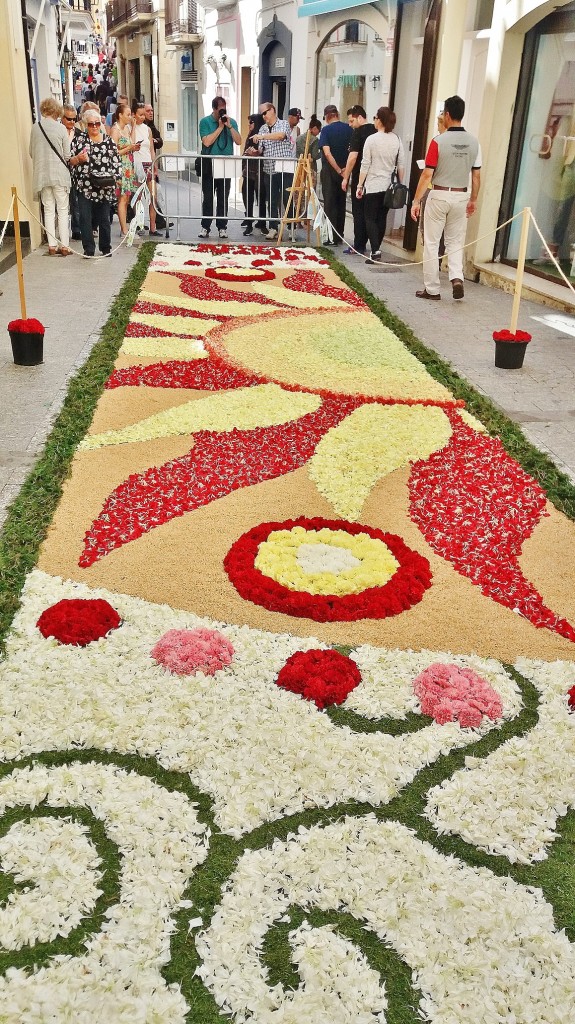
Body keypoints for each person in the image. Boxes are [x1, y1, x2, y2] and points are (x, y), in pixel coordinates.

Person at [411, 94, 480, 300]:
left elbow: (427, 174)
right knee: (455, 241)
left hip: (439, 194)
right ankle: (457, 277)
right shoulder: (474, 143)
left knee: (432, 243)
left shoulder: (438, 142)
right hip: (461, 195)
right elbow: (476, 176)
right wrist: (473, 199)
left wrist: (416, 201)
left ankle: (432, 289)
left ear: (447, 115)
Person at [356, 106, 404, 265]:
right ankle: (377, 249)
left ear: (381, 120)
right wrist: (400, 184)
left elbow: (365, 164)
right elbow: (401, 164)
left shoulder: (371, 139)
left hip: (373, 185)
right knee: (381, 218)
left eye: (375, 118)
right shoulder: (397, 140)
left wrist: (359, 185)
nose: (374, 121)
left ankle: (375, 250)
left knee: (369, 218)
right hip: (388, 186)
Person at [69, 110, 120, 257]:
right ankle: (89, 248)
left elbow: (116, 162)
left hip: (104, 186)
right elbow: (70, 161)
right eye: (91, 124)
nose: (94, 126)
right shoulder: (79, 141)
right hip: (85, 185)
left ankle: (105, 247)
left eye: (97, 123)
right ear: (86, 125)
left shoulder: (108, 141)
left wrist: (117, 178)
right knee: (85, 217)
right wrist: (78, 159)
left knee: (104, 218)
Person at [29, 97, 72, 256]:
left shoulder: (35, 128)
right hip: (59, 175)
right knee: (62, 210)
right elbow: (67, 155)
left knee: (48, 210)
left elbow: (31, 152)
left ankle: (52, 246)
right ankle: (65, 246)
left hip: (42, 175)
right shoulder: (61, 129)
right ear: (57, 111)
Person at [198, 96, 241, 239]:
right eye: (220, 110)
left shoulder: (231, 122)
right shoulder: (205, 122)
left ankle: (222, 227)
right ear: (214, 109)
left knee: (223, 197)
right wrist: (220, 128)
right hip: (209, 164)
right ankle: (205, 226)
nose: (222, 112)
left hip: (225, 164)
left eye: (224, 109)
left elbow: (239, 141)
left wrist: (229, 126)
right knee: (208, 197)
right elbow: (207, 142)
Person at [252, 103, 295, 240]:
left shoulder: (284, 124)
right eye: (262, 114)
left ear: (273, 110)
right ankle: (273, 227)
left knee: (287, 198)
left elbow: (281, 136)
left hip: (285, 168)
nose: (264, 116)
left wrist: (262, 137)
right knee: (271, 199)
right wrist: (254, 152)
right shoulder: (262, 128)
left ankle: (291, 227)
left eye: (265, 113)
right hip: (269, 168)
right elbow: (261, 150)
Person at [341, 104, 376, 255]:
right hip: (374, 178)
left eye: (351, 121)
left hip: (359, 177)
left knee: (358, 212)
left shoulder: (358, 133)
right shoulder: (376, 131)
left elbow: (352, 157)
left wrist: (346, 177)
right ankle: (374, 246)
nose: (350, 125)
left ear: (360, 118)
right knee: (371, 213)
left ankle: (359, 244)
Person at [319, 105, 352, 245]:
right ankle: (340, 235)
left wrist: (338, 169)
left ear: (327, 117)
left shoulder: (326, 130)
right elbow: (352, 151)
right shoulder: (349, 129)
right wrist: (345, 170)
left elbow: (327, 153)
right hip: (345, 171)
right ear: (337, 114)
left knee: (329, 203)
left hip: (330, 171)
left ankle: (330, 236)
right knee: (341, 203)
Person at [132, 101, 160, 235]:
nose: (143, 117)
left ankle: (153, 227)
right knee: (138, 196)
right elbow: (131, 143)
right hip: (137, 163)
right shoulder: (130, 128)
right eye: (140, 115)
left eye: (144, 115)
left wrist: (154, 164)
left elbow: (151, 149)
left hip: (148, 163)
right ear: (134, 115)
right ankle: (139, 224)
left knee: (153, 196)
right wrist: (132, 126)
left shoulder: (147, 129)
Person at [111, 102, 137, 235]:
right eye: (128, 114)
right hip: (120, 166)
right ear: (120, 115)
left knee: (126, 198)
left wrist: (133, 128)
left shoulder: (126, 128)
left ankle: (125, 226)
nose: (130, 117)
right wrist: (129, 148)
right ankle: (124, 229)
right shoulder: (115, 130)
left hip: (128, 166)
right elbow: (113, 152)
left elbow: (132, 142)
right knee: (122, 198)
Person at [241, 113, 264, 235]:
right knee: (247, 197)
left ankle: (262, 223)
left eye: (251, 122)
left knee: (261, 197)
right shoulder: (250, 136)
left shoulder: (262, 135)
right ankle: (249, 223)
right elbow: (245, 152)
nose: (249, 125)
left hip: (260, 171)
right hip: (248, 172)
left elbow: (263, 152)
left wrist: (255, 153)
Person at [296, 116, 321, 183]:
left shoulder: (298, 138)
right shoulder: (315, 140)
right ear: (314, 128)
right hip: (310, 167)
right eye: (319, 130)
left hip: (299, 166)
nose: (319, 132)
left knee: (300, 185)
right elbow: (315, 155)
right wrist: (321, 153)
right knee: (311, 186)